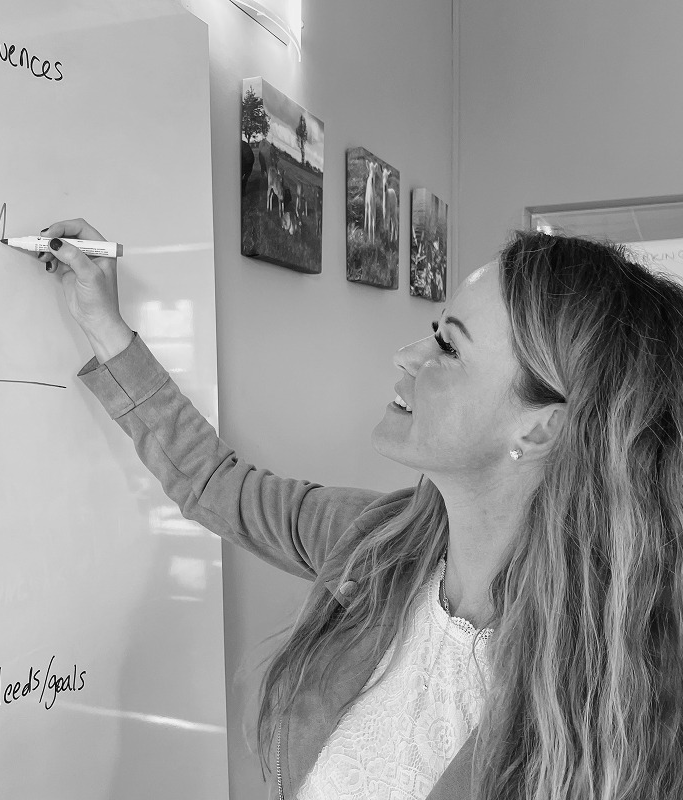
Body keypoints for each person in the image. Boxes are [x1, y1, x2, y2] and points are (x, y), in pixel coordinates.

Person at [39, 220, 683, 800]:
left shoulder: (623, 698)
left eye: (450, 349)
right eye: (435, 333)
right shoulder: (378, 547)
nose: (409, 356)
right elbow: (215, 483)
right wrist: (106, 329)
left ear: (538, 432)